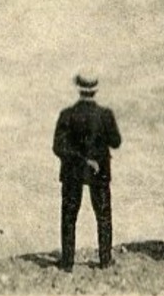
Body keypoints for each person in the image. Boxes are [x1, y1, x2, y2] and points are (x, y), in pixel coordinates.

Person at [53, 70, 123, 270]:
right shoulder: (105, 115)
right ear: (96, 89)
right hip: (99, 170)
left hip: (72, 171)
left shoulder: (67, 114)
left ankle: (67, 262)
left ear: (78, 88)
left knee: (69, 216)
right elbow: (116, 142)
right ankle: (105, 259)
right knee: (103, 215)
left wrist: (81, 160)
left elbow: (58, 147)